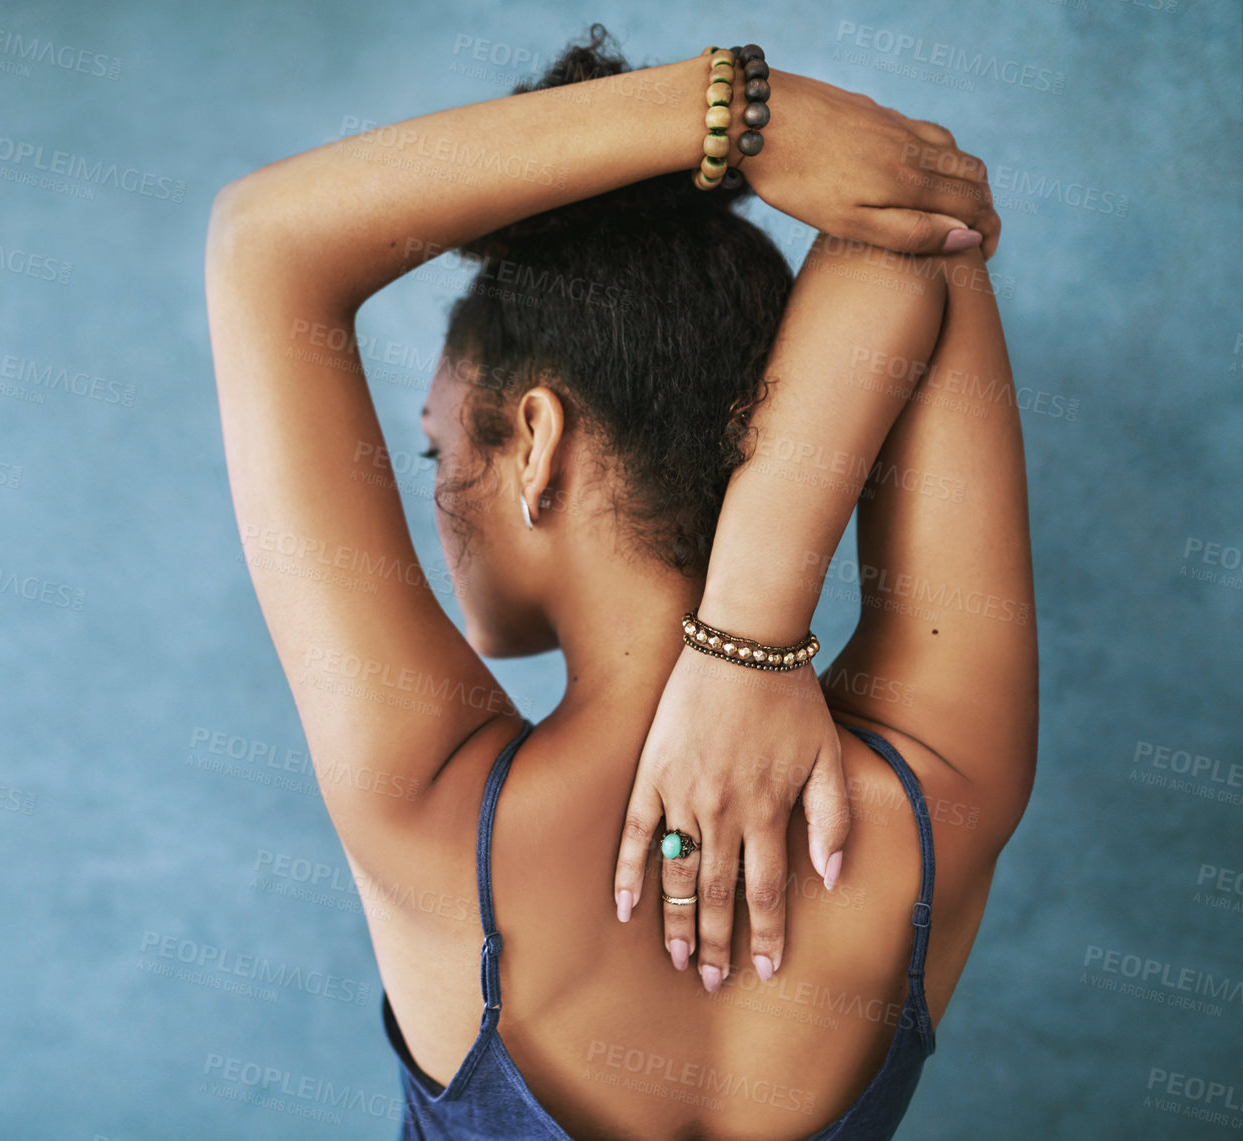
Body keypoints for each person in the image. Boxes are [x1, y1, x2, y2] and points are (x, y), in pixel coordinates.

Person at [205, 25, 1034, 1139]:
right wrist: (750, 628)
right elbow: (921, 234)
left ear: (535, 441)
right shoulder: (935, 790)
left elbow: (264, 244)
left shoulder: (430, 808)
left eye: (440, 451)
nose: (437, 488)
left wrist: (739, 115)